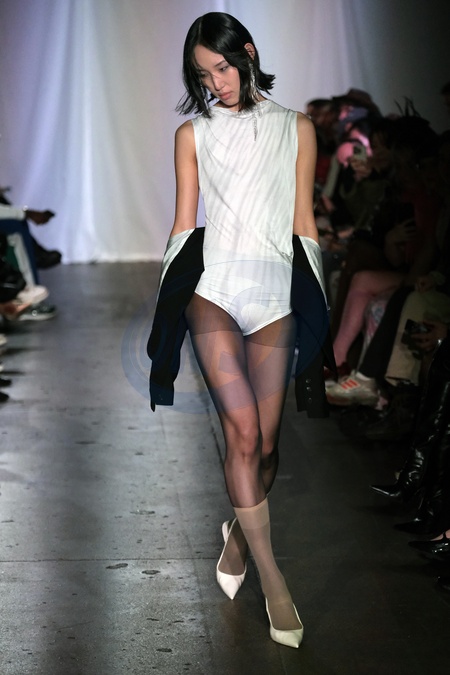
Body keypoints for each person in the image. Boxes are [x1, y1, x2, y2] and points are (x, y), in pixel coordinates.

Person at [147, 12, 334, 648]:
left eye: (223, 67)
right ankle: (275, 583)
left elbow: (304, 221)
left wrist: (319, 306)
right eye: (204, 75)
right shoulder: (192, 134)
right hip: (215, 293)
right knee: (244, 432)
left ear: (248, 53)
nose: (216, 83)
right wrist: (167, 305)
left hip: (275, 295)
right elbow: (183, 225)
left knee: (268, 444)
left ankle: (239, 536)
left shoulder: (297, 128)